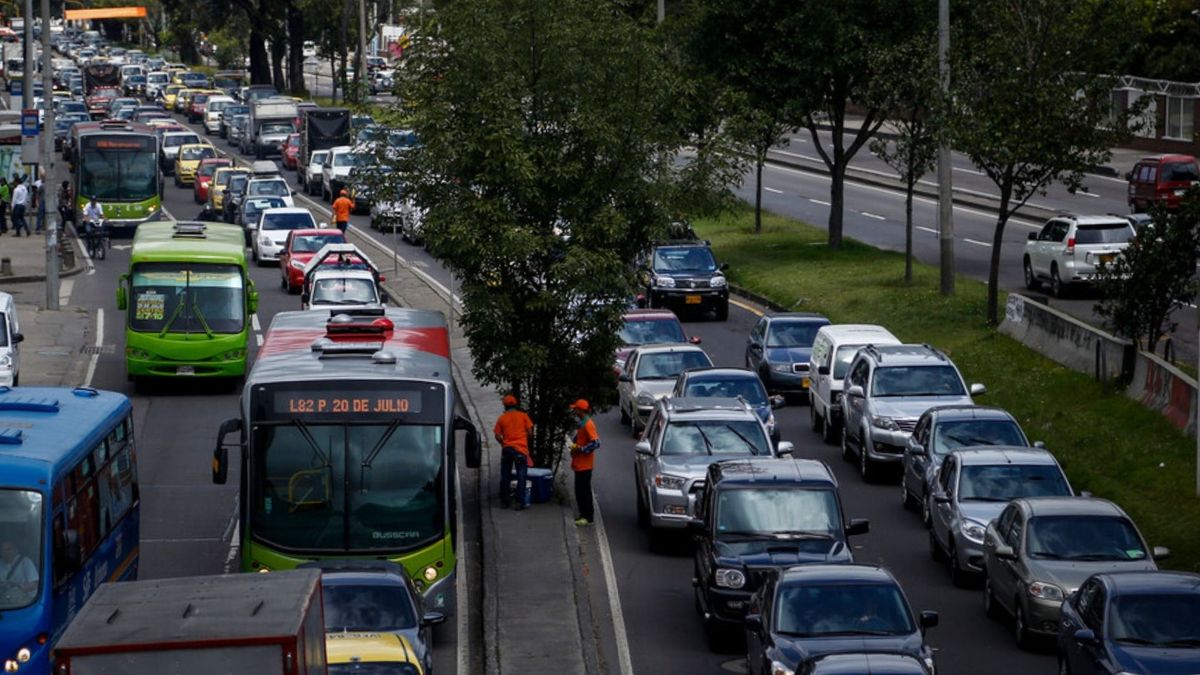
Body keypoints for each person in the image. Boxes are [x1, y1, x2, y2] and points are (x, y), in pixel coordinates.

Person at [494, 394, 534, 510]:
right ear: (516, 405)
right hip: (521, 450)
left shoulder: (502, 418)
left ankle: (505, 502)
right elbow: (530, 433)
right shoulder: (523, 416)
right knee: (521, 475)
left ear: (505, 406)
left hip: (507, 449)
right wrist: (523, 440)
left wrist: (503, 443)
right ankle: (520, 502)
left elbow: (497, 435)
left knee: (505, 475)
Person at [569, 399, 600, 526]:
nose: (574, 410)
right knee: (580, 490)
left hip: (585, 465)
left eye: (576, 409)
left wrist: (580, 449)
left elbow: (596, 443)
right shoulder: (583, 422)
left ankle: (587, 516)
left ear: (581, 410)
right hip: (580, 463)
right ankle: (584, 515)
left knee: (583, 491)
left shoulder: (588, 424)